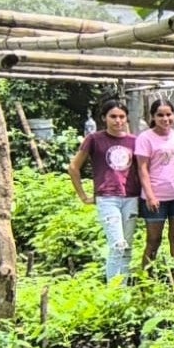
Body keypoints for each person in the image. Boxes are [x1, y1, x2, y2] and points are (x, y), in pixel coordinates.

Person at [68, 98, 140, 282]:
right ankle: (114, 291)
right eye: (113, 116)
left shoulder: (134, 141)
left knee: (128, 246)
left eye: (122, 117)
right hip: (107, 197)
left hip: (131, 196)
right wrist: (83, 196)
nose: (118, 121)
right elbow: (74, 167)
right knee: (118, 244)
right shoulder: (94, 139)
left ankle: (124, 290)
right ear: (104, 118)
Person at [134, 98, 174, 266]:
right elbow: (142, 169)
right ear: (152, 117)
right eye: (160, 115)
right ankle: (146, 281)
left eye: (168, 114)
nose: (165, 119)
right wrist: (150, 196)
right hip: (155, 197)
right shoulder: (145, 138)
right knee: (153, 240)